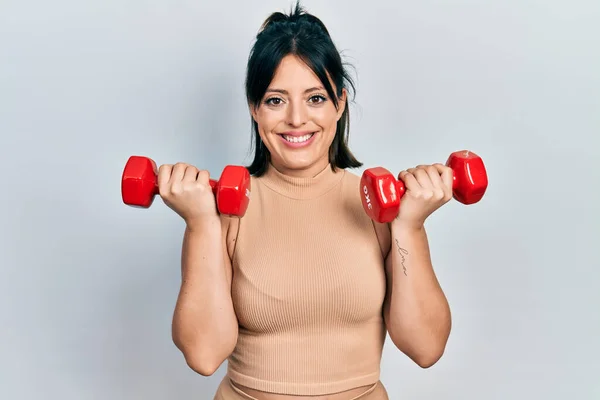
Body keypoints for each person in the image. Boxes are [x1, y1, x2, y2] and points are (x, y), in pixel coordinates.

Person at [157, 3, 453, 399]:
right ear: (254, 109)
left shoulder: (381, 209)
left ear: (340, 103)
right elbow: (204, 354)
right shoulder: (225, 212)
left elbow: (426, 348)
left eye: (315, 98)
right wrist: (201, 225)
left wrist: (410, 226)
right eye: (276, 100)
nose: (297, 119)